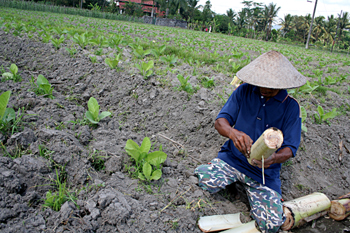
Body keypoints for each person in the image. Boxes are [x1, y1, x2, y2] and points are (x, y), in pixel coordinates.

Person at [194, 51, 306, 233]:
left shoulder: (290, 107)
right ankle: (233, 184)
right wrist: (233, 133)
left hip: (263, 175)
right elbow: (220, 122)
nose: (263, 88)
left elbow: (291, 148)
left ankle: (257, 197)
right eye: (260, 83)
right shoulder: (243, 91)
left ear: (281, 85)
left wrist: (274, 158)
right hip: (231, 161)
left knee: (271, 225)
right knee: (203, 181)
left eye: (269, 86)